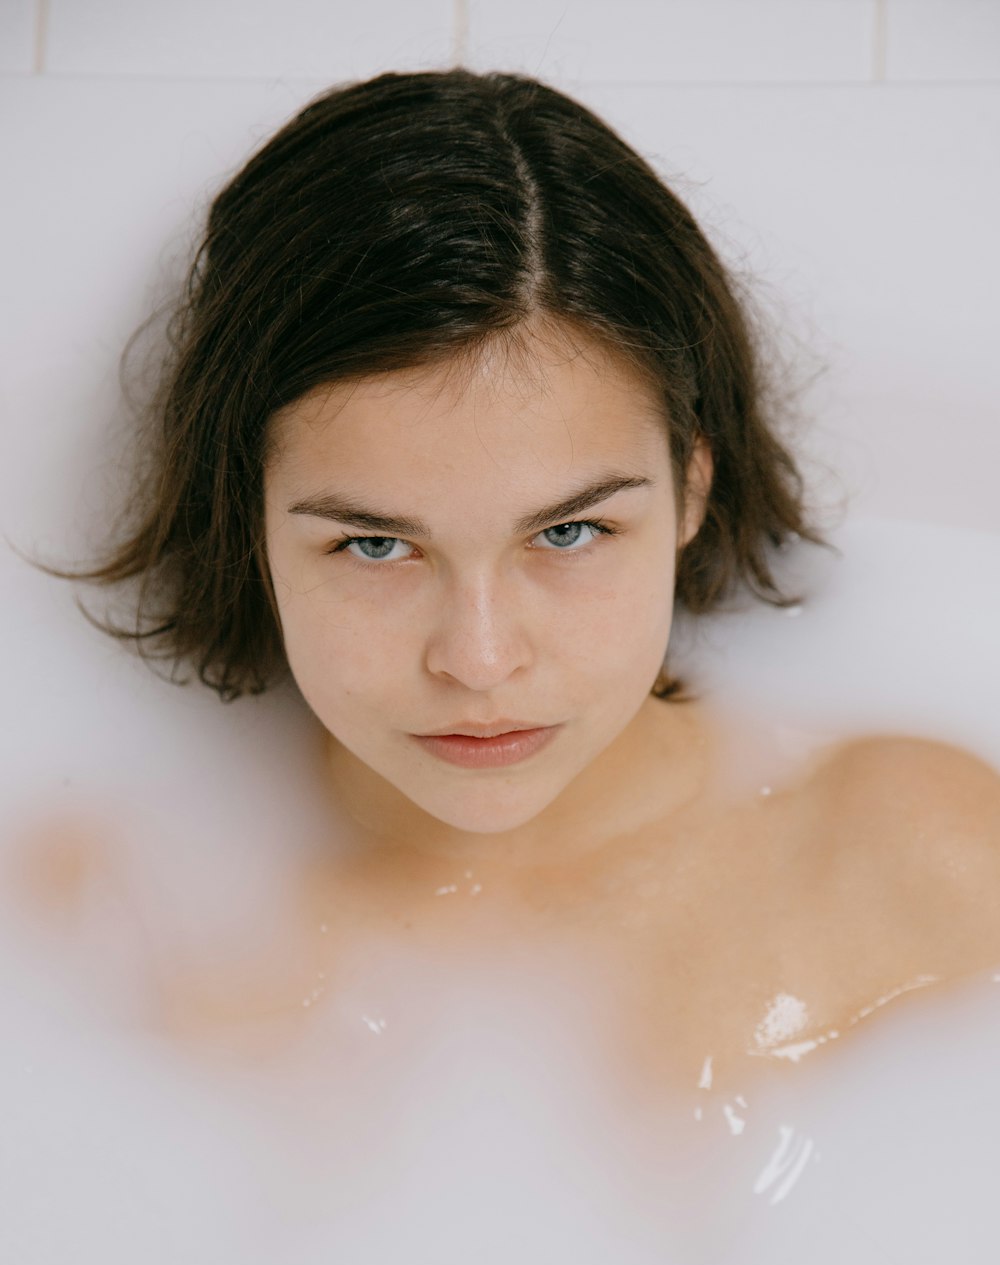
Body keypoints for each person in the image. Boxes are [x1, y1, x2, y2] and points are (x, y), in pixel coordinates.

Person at [22, 68, 1000, 1092]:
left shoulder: (910, 856)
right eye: (374, 546)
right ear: (252, 525)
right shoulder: (117, 916)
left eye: (569, 532)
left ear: (691, 490)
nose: (479, 660)